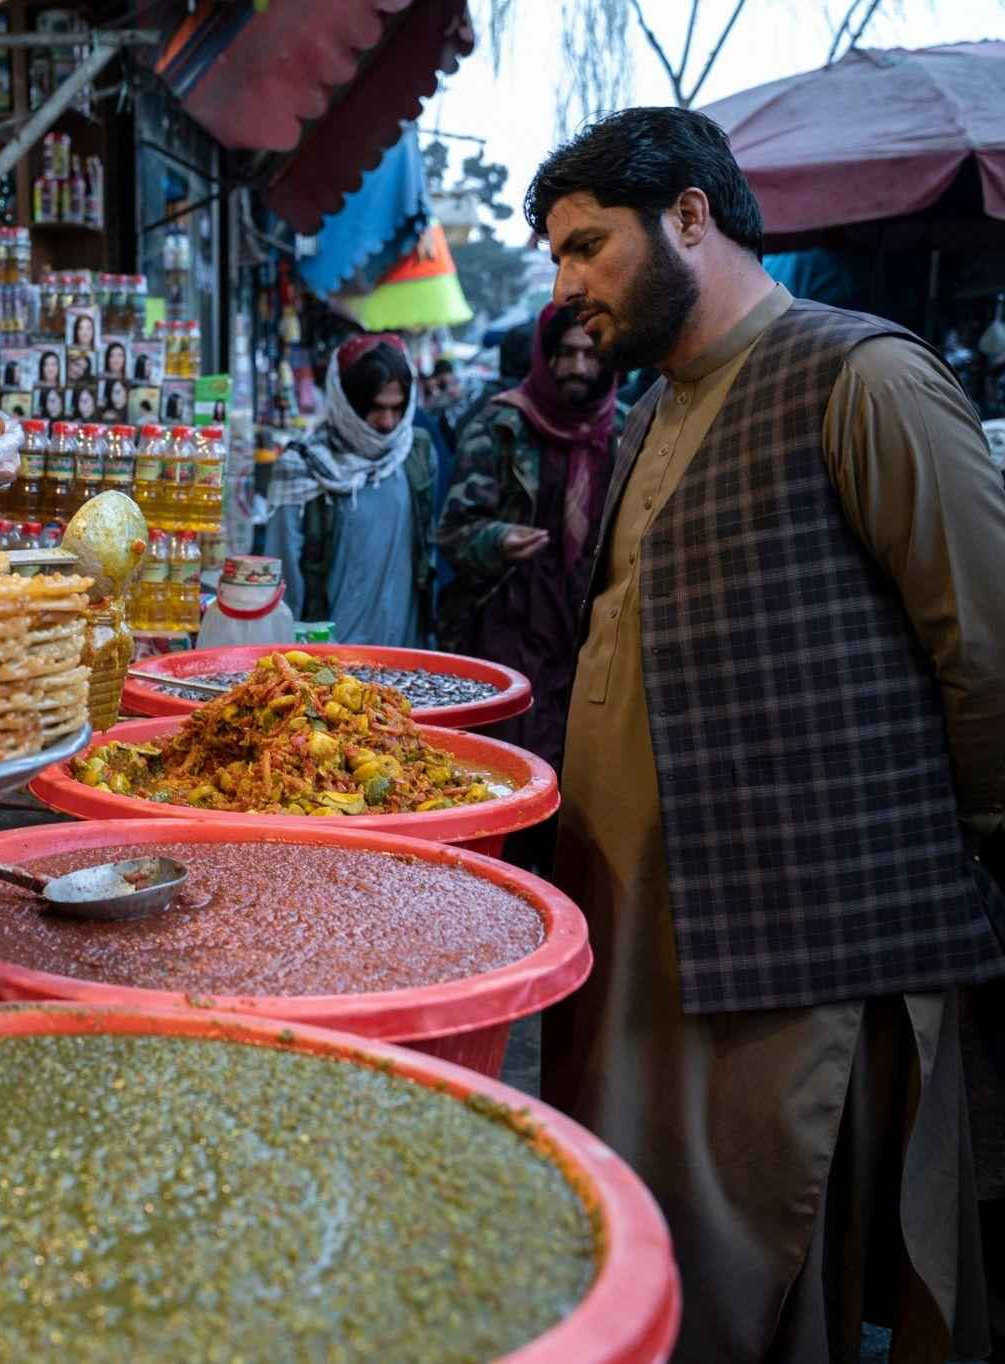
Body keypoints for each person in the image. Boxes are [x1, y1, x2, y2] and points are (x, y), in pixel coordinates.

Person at [529, 107, 1005, 1363]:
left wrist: (946, 848)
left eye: (585, 245)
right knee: (639, 1251)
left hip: (793, 945)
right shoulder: (649, 409)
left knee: (762, 1271)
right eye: (557, 256)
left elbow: (984, 649)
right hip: (637, 939)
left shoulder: (865, 379)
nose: (565, 286)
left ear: (690, 216)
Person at [435, 301, 620, 868]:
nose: (578, 367)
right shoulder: (501, 426)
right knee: (508, 779)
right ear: (544, 356)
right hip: (510, 628)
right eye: (565, 353)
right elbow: (454, 532)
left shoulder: (628, 429)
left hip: (592, 637)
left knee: (583, 787)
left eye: (590, 353)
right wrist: (497, 540)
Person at [259, 334, 434, 640]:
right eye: (376, 408)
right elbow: (282, 584)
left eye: (397, 408)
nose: (388, 422)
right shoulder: (301, 469)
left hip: (404, 655)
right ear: (345, 401)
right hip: (330, 658)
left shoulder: (415, 453)